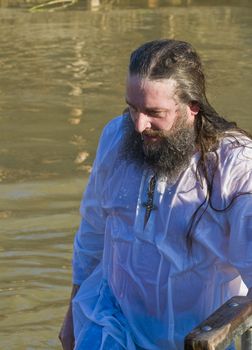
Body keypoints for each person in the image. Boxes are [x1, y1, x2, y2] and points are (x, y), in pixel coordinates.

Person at [59, 39, 252, 350]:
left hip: (200, 338)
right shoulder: (116, 137)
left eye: (153, 112)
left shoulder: (234, 166)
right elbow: (92, 233)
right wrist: (71, 316)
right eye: (131, 107)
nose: (138, 125)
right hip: (112, 326)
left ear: (193, 107)